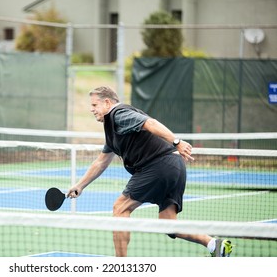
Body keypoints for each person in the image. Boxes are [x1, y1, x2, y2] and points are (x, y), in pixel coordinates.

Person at [67, 86, 232, 257]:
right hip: (174, 166)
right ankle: (213, 244)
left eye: (94, 105)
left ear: (107, 102)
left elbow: (150, 123)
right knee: (168, 223)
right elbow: (101, 162)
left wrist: (177, 142)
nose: (91, 109)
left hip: (158, 165)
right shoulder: (112, 130)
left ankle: (120, 265)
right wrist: (80, 185)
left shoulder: (119, 115)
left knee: (120, 208)